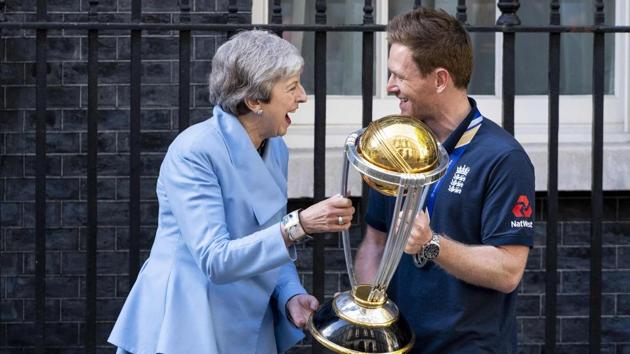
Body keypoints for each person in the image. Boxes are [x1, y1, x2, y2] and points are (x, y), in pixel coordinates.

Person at [108, 30, 355, 354]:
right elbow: (215, 259)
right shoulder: (194, 152)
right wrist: (301, 224)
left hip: (248, 326)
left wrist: (290, 293)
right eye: (292, 87)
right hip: (187, 323)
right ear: (254, 100)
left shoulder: (275, 149)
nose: (303, 96)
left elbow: (266, 234)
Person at [354, 8, 535, 353]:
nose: (390, 87)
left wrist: (431, 243)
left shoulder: (503, 158)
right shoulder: (395, 147)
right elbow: (375, 243)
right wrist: (372, 320)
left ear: (440, 79)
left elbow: (508, 270)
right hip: (397, 344)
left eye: (399, 77)